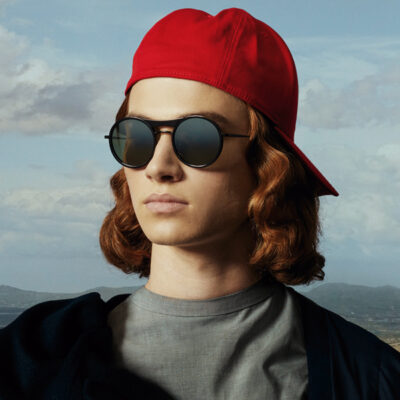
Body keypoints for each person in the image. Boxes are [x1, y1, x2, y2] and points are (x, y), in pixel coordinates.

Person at [0, 7, 399, 400]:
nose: (159, 166)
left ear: (267, 166)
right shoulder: (26, 359)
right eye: (137, 137)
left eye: (198, 138)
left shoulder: (371, 379)